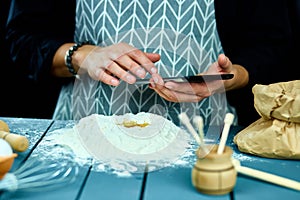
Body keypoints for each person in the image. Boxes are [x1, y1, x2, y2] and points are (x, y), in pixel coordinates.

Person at [5, 0, 295, 126]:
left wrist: (231, 76)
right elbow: (22, 37)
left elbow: (272, 44)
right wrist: (84, 55)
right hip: (83, 131)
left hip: (205, 136)